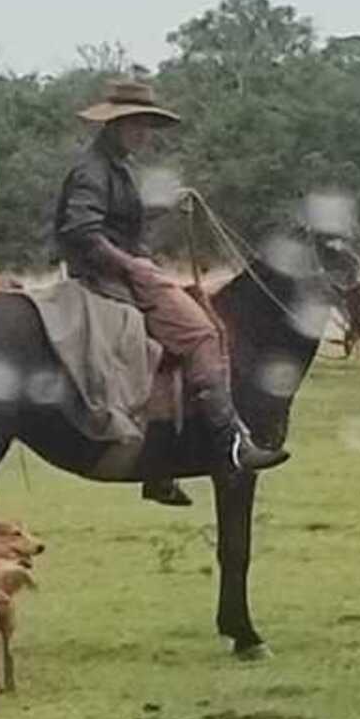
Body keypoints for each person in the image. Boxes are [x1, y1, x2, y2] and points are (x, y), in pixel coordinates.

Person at [54, 78, 286, 506]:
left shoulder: (115, 166)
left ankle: (158, 465)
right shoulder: (93, 170)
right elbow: (83, 230)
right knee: (202, 333)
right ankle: (231, 440)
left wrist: (162, 206)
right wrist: (133, 266)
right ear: (114, 125)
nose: (144, 134)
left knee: (180, 331)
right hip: (108, 276)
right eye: (136, 124)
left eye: (147, 125)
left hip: (121, 272)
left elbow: (121, 220)